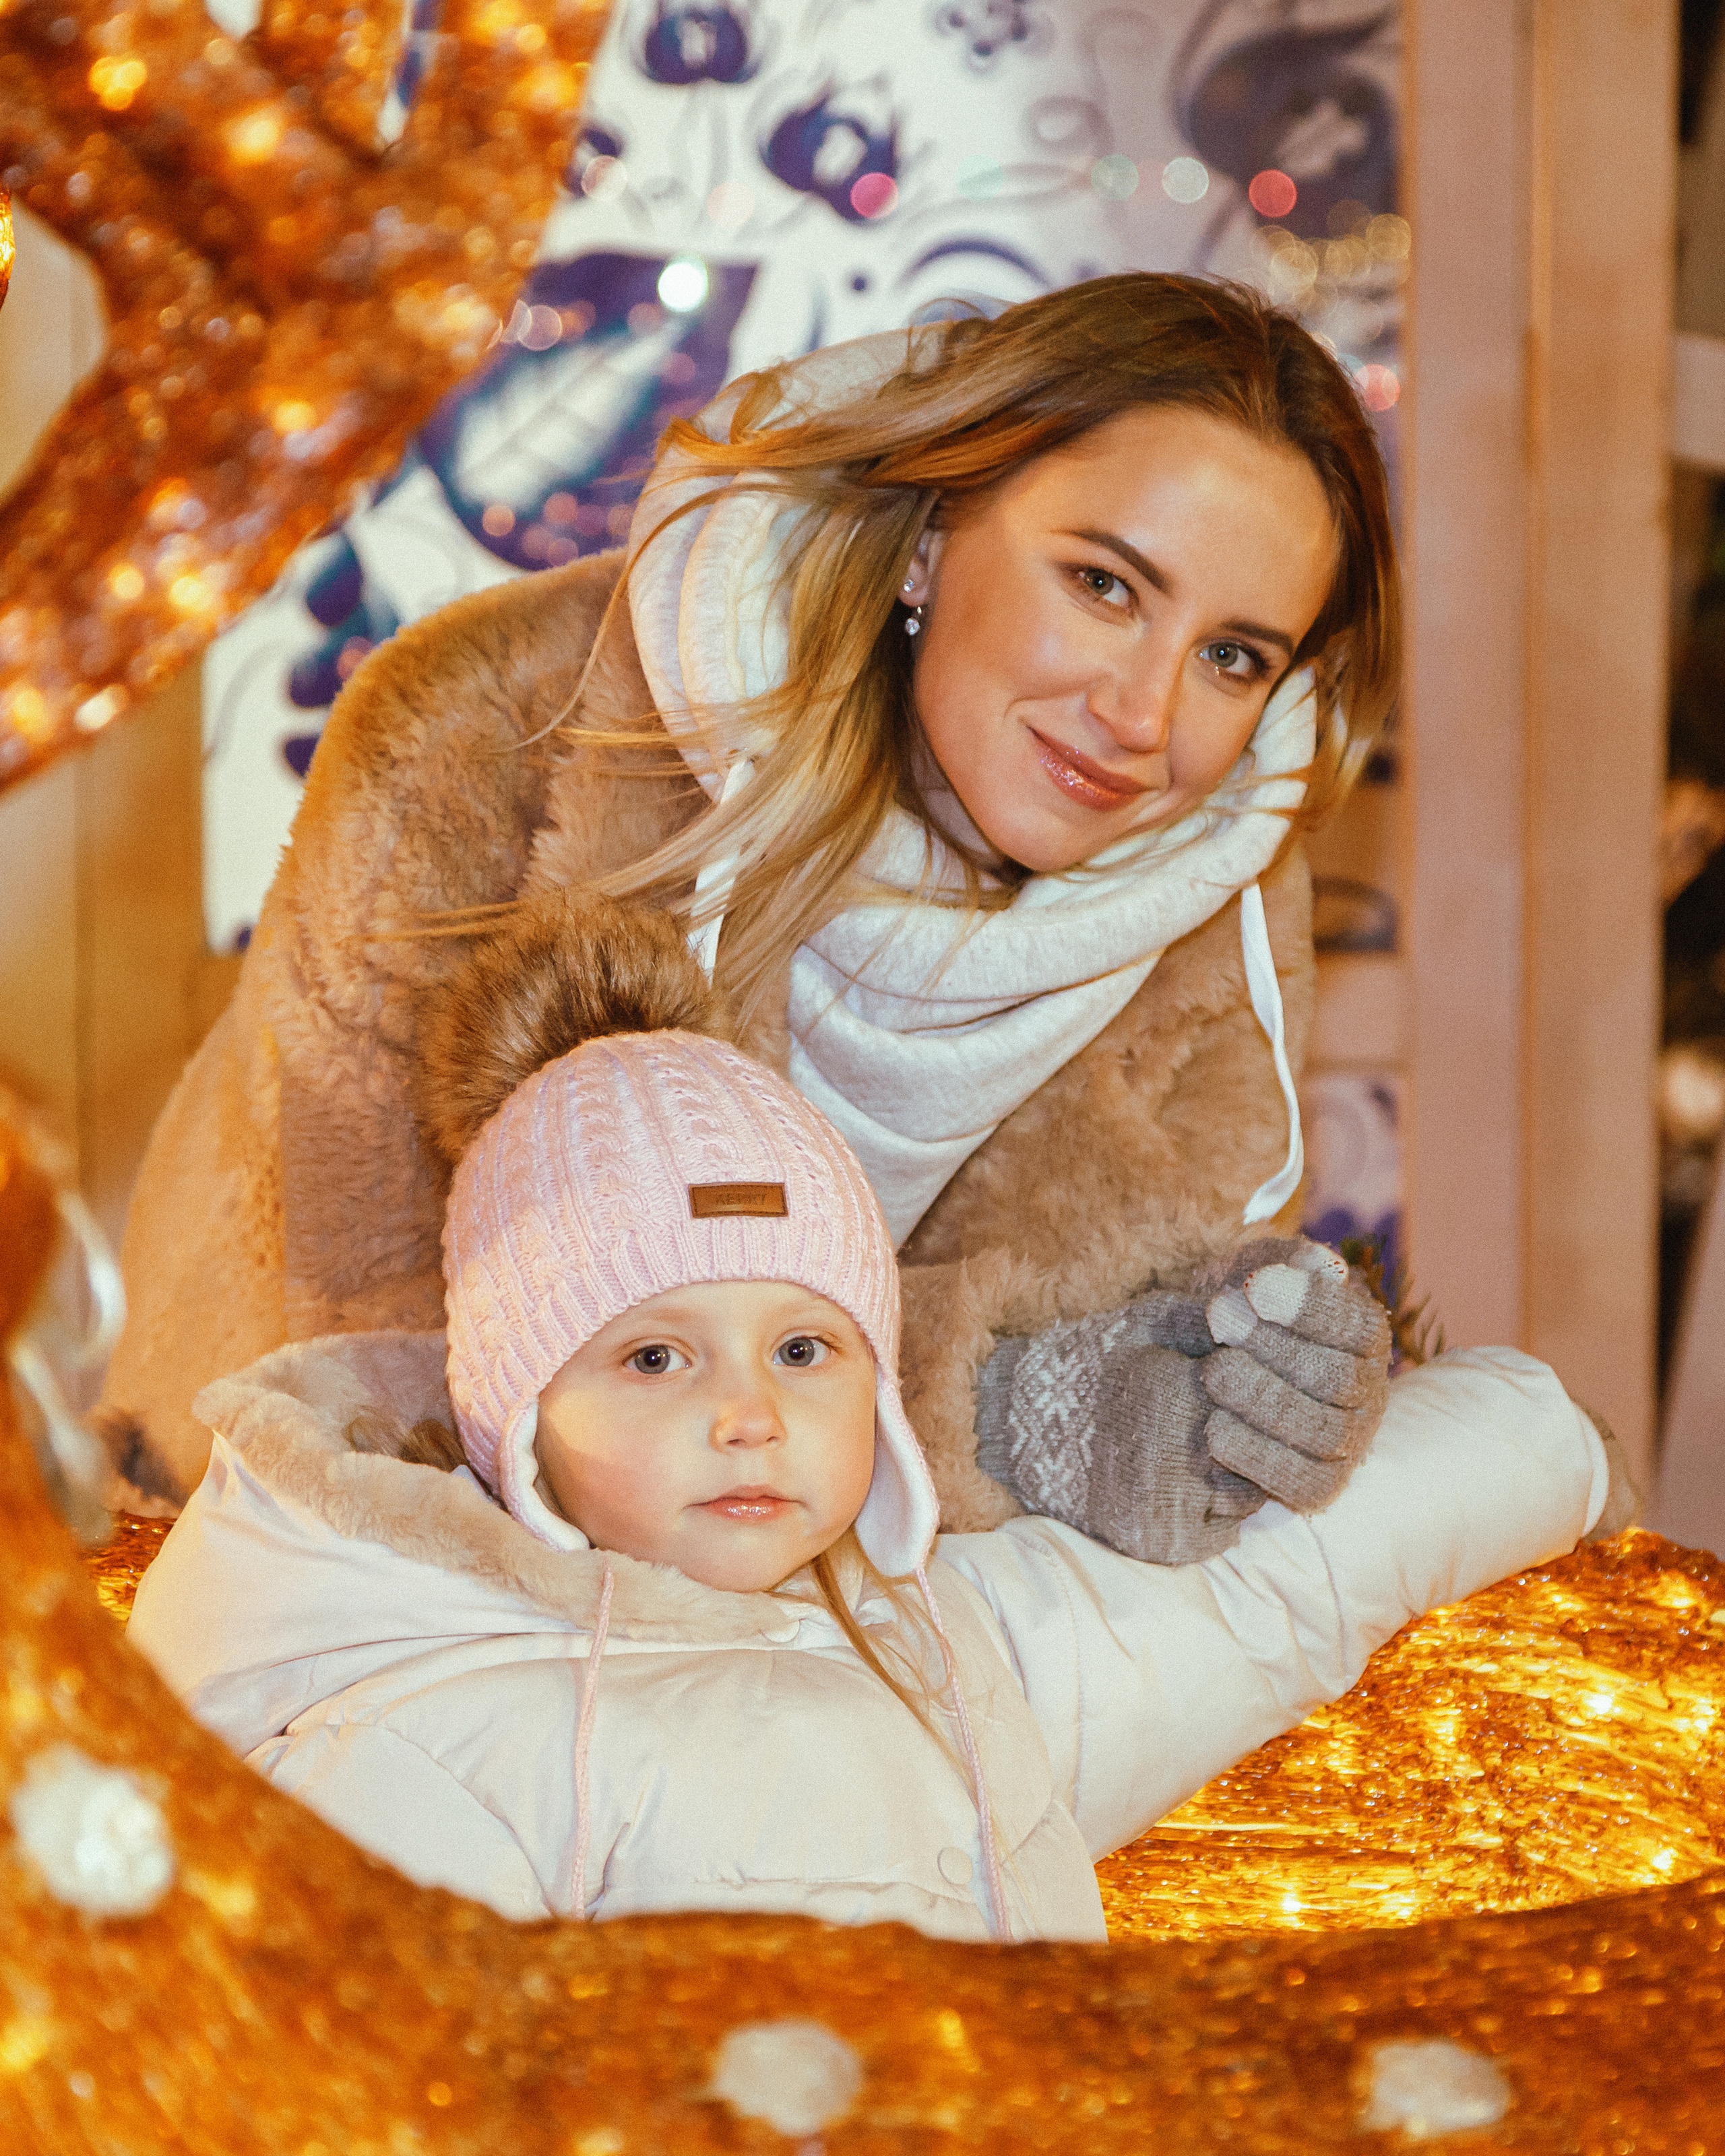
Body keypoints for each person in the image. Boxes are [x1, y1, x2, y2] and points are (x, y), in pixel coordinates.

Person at [104, 274, 1403, 1541]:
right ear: (931, 536)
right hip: (253, 1555)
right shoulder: (489, 731)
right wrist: (1008, 1417)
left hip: (865, 1631)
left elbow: (1157, 1343)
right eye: (1104, 586)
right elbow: (373, 1371)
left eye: (1232, 656)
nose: (1144, 717)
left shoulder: (1221, 893)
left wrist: (1252, 1379)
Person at [127, 899, 1612, 1941]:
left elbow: (1267, 1602)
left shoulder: (940, 1642)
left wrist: (1543, 1444)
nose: (748, 1413)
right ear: (512, 1413)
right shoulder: (416, 1741)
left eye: (803, 1347)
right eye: (654, 1357)